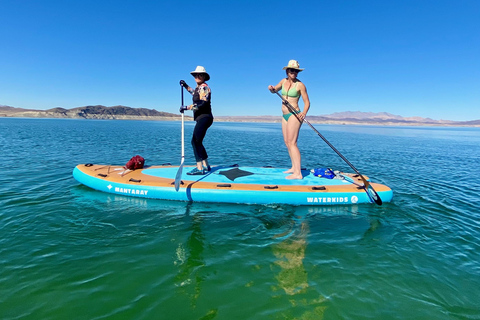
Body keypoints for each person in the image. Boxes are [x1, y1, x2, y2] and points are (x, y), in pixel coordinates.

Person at [268, 60, 310, 180]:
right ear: (287, 71)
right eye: (292, 71)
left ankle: (298, 173)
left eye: (296, 71)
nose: (294, 73)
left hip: (294, 114)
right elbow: (275, 90)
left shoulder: (300, 85)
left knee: (293, 143)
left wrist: (304, 113)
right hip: (284, 115)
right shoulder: (283, 81)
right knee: (287, 143)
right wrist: (271, 88)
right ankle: (293, 168)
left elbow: (307, 102)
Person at [180, 66, 214, 175]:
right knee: (198, 141)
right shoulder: (199, 88)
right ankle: (206, 165)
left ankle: (199, 168)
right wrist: (185, 86)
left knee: (194, 141)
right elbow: (193, 93)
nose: (197, 76)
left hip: (205, 117)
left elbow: (202, 103)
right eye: (196, 75)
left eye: (200, 75)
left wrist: (187, 107)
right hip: (203, 118)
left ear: (204, 76)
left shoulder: (204, 87)